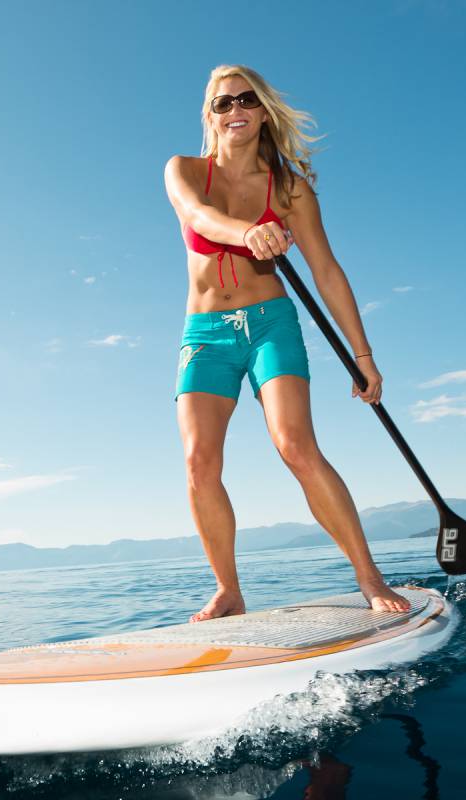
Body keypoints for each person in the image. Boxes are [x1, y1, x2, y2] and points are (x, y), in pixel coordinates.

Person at [163, 64, 412, 621]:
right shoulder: (184, 170)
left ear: (264, 110)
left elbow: (326, 271)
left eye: (246, 100)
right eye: (222, 103)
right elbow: (199, 215)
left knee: (295, 444)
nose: (235, 111)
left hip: (271, 322)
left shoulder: (290, 187)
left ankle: (369, 577)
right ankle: (229, 588)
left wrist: (362, 355)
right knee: (199, 461)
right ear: (209, 114)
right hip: (204, 334)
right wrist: (246, 231)